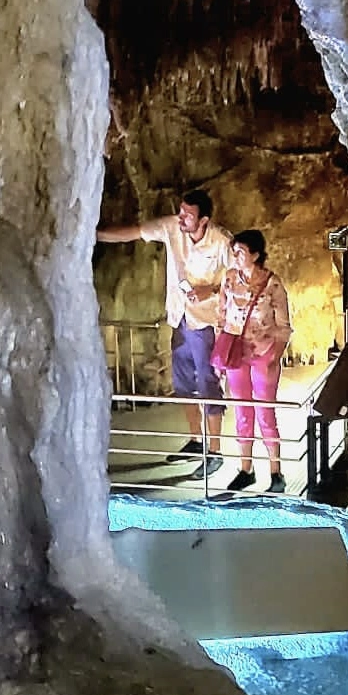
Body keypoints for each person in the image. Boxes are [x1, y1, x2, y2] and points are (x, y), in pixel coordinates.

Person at [97, 188, 231, 479]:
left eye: (188, 215)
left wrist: (212, 289)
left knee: (207, 384)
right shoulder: (172, 227)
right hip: (179, 317)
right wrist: (93, 234)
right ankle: (197, 440)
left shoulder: (221, 241)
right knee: (183, 385)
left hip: (205, 323)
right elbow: (135, 232)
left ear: (204, 220)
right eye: (181, 211)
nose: (181, 217)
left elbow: (240, 278)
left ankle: (216, 452)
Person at [215, 230, 292, 492]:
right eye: (234, 251)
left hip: (264, 355)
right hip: (237, 355)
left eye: (241, 252)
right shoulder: (229, 280)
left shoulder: (273, 285)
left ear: (256, 255)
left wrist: (276, 356)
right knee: (241, 412)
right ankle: (245, 469)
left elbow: (283, 326)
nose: (235, 257)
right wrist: (222, 351)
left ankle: (276, 472)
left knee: (265, 412)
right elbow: (222, 315)